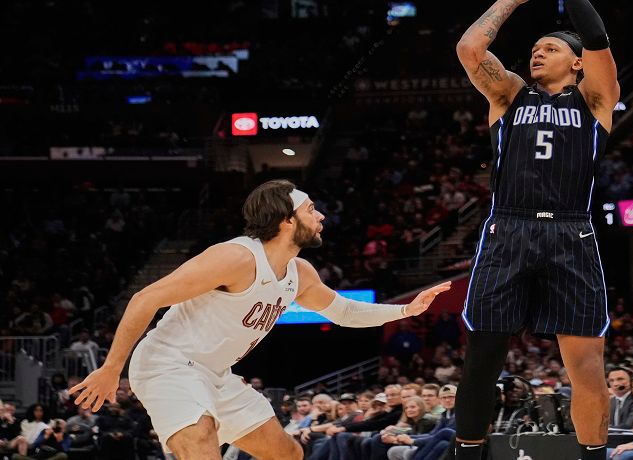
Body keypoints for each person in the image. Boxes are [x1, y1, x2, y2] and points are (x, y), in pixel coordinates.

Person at [68, 180, 450, 459]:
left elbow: (344, 311)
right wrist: (111, 368)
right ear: (286, 220)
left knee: (288, 454)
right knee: (201, 437)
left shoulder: (299, 272)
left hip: (216, 374)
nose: (320, 216)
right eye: (311, 209)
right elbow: (144, 298)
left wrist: (405, 310)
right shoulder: (235, 258)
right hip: (167, 363)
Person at [453, 0, 620, 460]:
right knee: (483, 357)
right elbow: (469, 50)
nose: (537, 52)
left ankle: (592, 455)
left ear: (576, 64)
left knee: (586, 366)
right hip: (509, 226)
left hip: (572, 230)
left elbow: (597, 35)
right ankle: (468, 452)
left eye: (550, 48)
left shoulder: (596, 100)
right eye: (535, 48)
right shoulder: (508, 94)